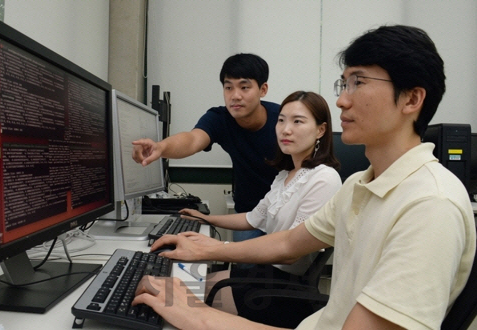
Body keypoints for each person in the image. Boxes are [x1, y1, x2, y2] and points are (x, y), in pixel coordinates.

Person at [133, 25, 477, 330]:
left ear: (412, 98)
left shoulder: (430, 206)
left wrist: (197, 315)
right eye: (343, 83)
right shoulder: (359, 185)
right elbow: (286, 242)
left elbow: (284, 254)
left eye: (358, 82)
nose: (341, 100)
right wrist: (208, 246)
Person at [178, 91, 341, 326]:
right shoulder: (286, 176)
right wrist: (207, 219)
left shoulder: (324, 179)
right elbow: (253, 219)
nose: (285, 129)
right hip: (265, 277)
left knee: (181, 294)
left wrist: (216, 247)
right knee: (185, 282)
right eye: (282, 120)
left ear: (320, 130)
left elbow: (290, 251)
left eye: (298, 121)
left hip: (281, 291)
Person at [132, 53, 279, 243]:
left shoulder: (283, 120)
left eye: (244, 87)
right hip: (247, 212)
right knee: (245, 268)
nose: (235, 95)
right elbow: (192, 140)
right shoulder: (220, 118)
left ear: (263, 89)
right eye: (228, 87)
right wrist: (161, 147)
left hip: (283, 211)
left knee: (285, 268)